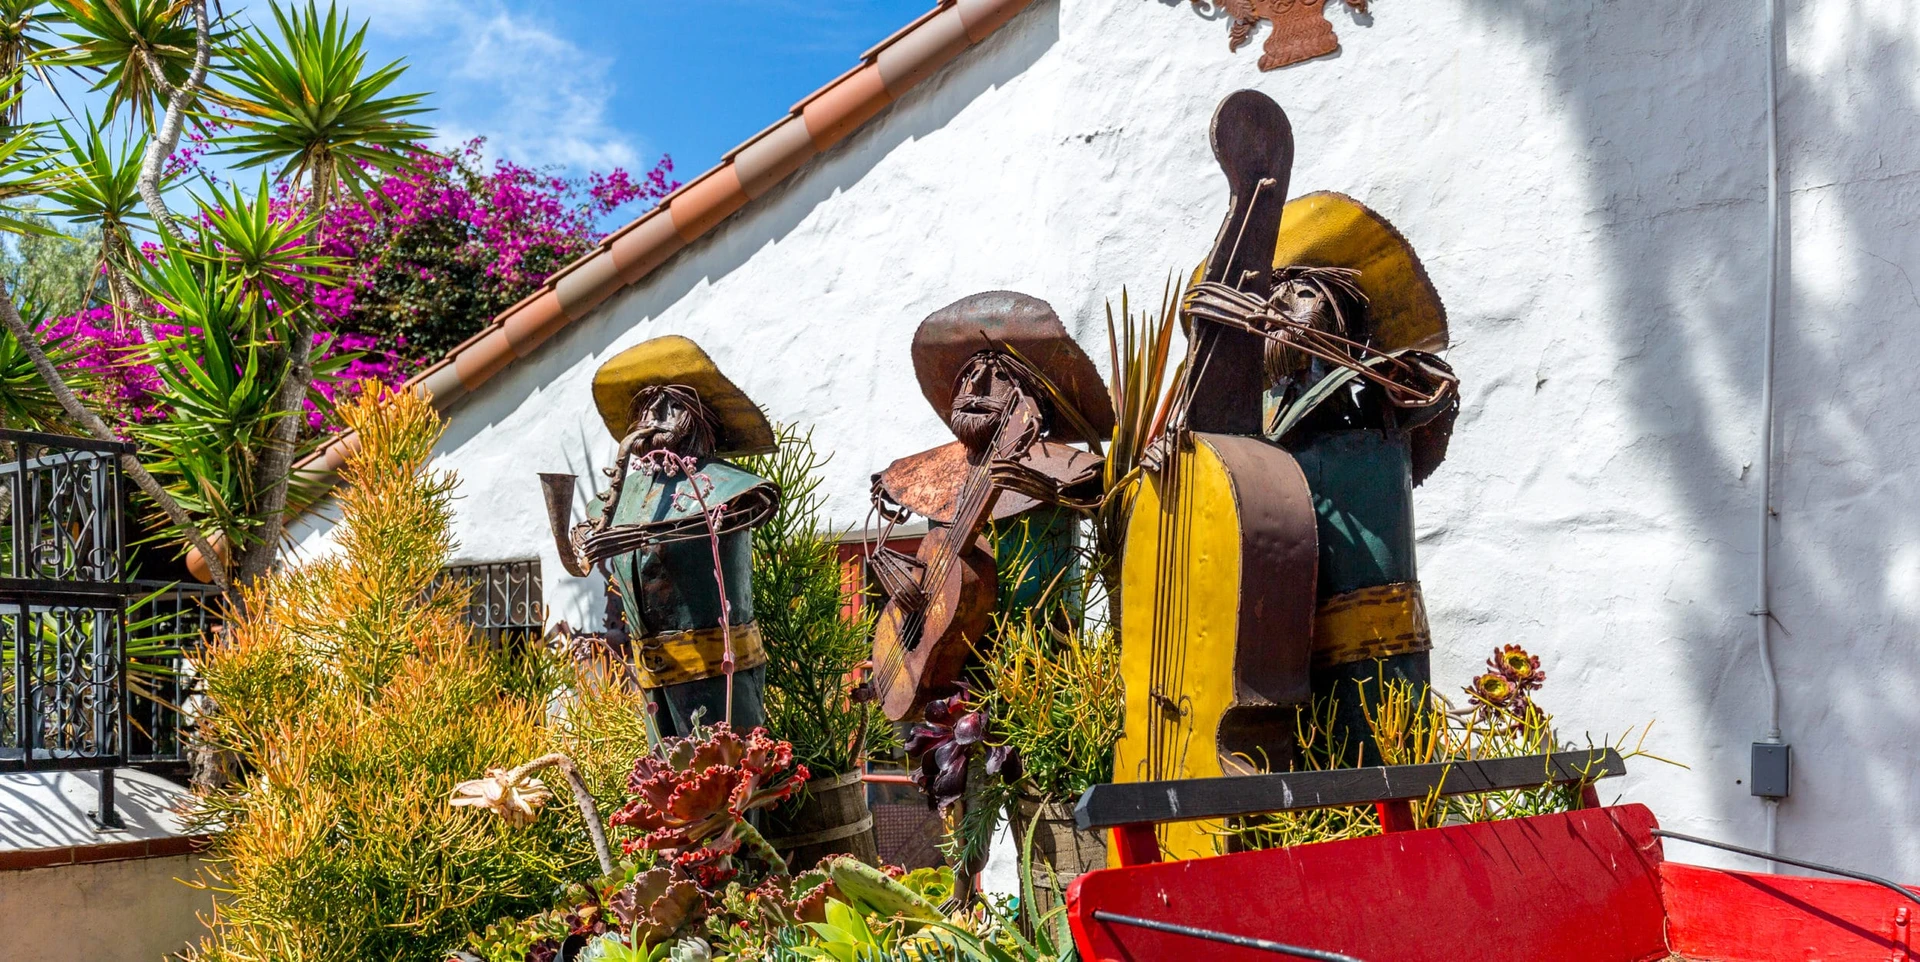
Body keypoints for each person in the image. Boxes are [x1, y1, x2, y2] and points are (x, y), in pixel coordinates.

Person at [546, 334, 781, 738]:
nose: (654, 414)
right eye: (646, 406)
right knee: (667, 785)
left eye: (670, 404)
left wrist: (631, 537)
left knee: (734, 780)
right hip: (653, 678)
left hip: (719, 673)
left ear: (698, 416)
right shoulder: (621, 498)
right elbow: (589, 542)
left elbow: (727, 515)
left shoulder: (734, 485)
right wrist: (583, 538)